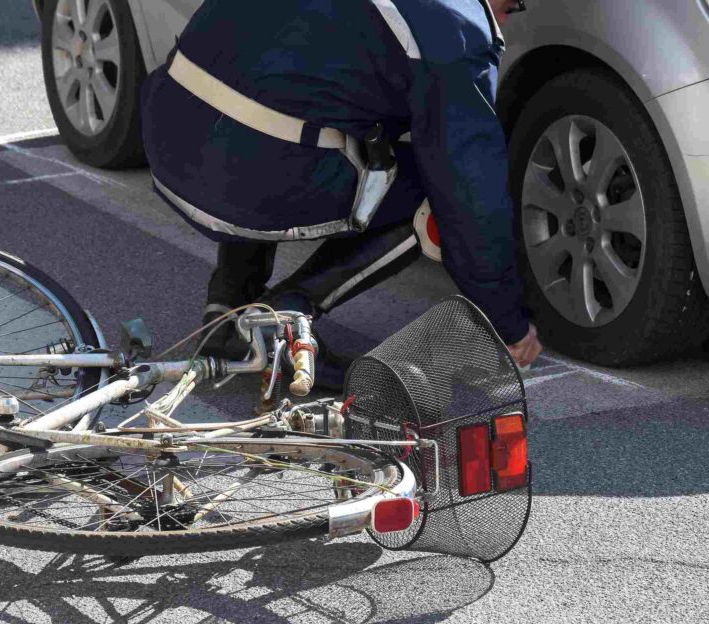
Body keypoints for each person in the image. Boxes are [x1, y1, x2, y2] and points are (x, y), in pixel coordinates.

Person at [141, 0, 543, 389]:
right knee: (437, 195)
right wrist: (506, 321)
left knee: (279, 103)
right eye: (514, 6)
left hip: (170, 136)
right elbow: (472, 199)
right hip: (245, 174)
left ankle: (228, 304)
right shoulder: (453, 23)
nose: (507, 21)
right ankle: (282, 317)